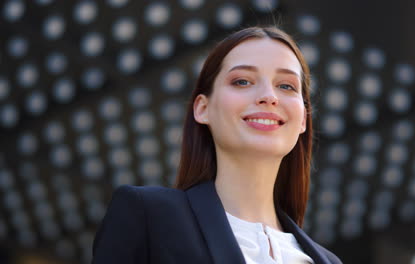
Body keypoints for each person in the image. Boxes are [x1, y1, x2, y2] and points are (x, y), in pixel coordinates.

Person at [92, 26, 342, 264]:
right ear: (202, 109)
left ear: (303, 121)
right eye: (242, 81)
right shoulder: (147, 216)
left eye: (286, 86)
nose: (269, 96)